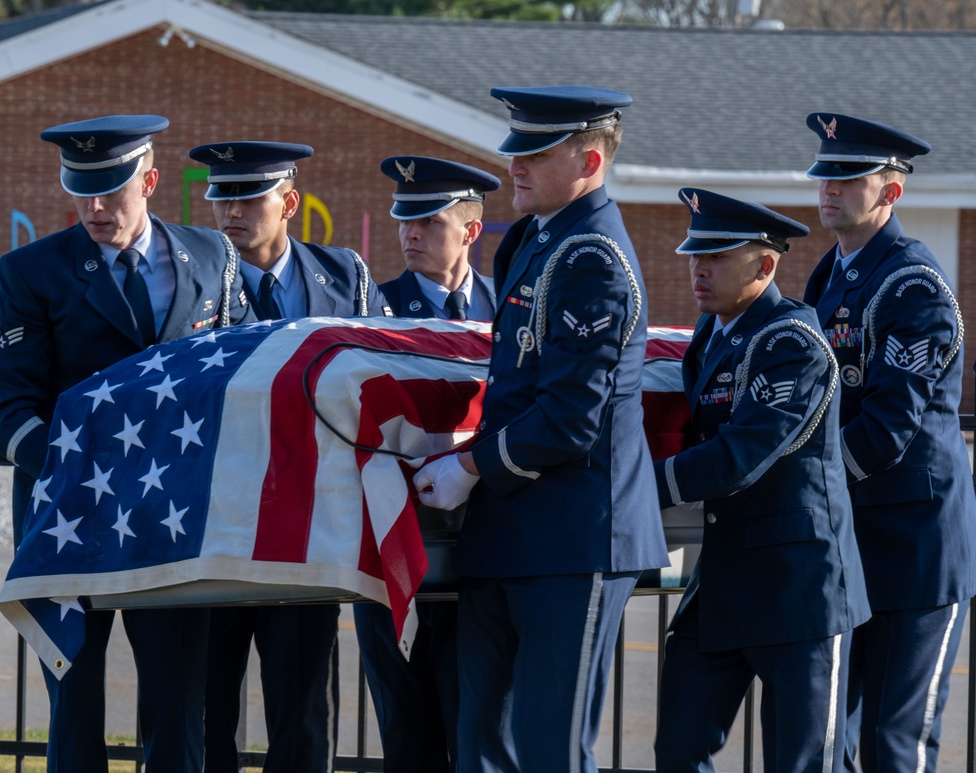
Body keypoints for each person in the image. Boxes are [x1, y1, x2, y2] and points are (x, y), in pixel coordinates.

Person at [0, 115, 253, 773]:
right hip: (73, 517)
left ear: (151, 180)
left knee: (177, 701)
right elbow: (6, 404)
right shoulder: (30, 271)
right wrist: (75, 464)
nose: (94, 208)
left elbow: (241, 376)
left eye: (111, 190)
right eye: (81, 190)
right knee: (73, 708)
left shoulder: (213, 257)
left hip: (175, 517)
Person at [411, 85, 668, 772]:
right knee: (482, 744)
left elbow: (570, 419)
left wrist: (467, 467)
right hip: (514, 530)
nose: (514, 166)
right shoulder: (533, 238)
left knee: (550, 746)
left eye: (534, 152)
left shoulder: (593, 259)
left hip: (572, 534)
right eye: (514, 149)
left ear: (588, 159)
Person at [651, 188, 871, 772]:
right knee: (677, 746)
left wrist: (637, 486)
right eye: (696, 255)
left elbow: (737, 456)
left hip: (799, 588)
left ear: (766, 265)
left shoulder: (791, 342)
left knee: (804, 764)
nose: (699, 268)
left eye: (718, 257)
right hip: (725, 579)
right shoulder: (713, 335)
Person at [188, 139, 388, 773]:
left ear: (289, 202)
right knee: (205, 708)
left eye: (248, 199)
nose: (230, 213)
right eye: (221, 198)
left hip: (309, 528)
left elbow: (378, 381)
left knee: (303, 718)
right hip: (216, 526)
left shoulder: (345, 276)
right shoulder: (193, 280)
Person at [802, 113, 976, 773]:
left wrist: (800, 481)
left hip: (917, 551)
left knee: (893, 745)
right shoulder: (832, 275)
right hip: (856, 545)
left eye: (849, 177)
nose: (830, 188)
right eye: (826, 174)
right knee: (832, 740)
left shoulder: (914, 287)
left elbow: (885, 431)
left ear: (891, 193)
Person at [354, 155, 499, 773]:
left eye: (428, 222)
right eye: (403, 221)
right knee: (409, 739)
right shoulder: (370, 310)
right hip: (396, 547)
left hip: (484, 552)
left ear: (469, 231)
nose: (409, 234)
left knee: (479, 732)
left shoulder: (510, 309)